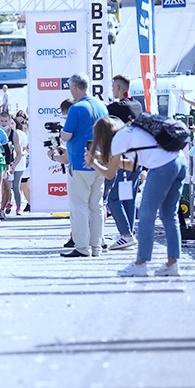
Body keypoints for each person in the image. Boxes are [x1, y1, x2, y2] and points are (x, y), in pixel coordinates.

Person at [87, 116, 184, 277]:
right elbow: (132, 165)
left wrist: (93, 163)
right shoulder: (131, 131)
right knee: (169, 216)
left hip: (161, 166)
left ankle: (140, 263)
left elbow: (110, 174)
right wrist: (105, 159)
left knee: (146, 215)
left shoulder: (118, 139)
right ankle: (172, 263)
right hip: (179, 161)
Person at [58, 72, 110, 257]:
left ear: (74, 87)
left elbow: (66, 135)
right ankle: (96, 246)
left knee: (79, 206)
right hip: (99, 161)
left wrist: (60, 134)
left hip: (80, 162)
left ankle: (82, 247)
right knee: (96, 206)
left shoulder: (76, 108)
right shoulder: (101, 105)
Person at [105, 74, 145, 250]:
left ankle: (126, 234)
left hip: (122, 158)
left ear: (119, 88)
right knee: (128, 197)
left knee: (113, 197)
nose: (112, 89)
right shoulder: (138, 104)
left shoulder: (114, 108)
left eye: (113, 86)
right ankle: (129, 233)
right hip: (138, 158)